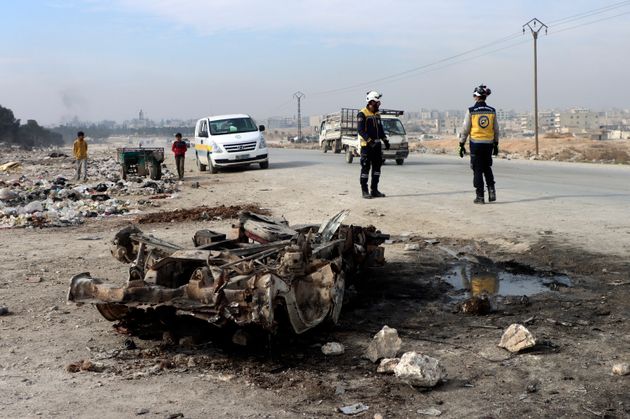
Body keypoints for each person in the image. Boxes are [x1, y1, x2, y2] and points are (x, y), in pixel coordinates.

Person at [459, 84, 500, 204]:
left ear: (476, 97)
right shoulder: (492, 111)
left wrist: (461, 144)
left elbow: (465, 129)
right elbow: (496, 129)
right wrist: (496, 144)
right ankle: (492, 191)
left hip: (476, 144)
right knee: (487, 167)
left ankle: (480, 196)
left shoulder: (471, 111)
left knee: (477, 169)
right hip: (488, 144)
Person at [358, 90, 390, 199]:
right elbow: (361, 130)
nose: (378, 105)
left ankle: (374, 190)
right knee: (366, 169)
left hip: (377, 147)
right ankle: (364, 191)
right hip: (367, 147)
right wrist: (369, 141)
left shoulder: (377, 114)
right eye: (377, 103)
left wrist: (385, 140)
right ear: (371, 102)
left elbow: (380, 129)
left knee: (377, 170)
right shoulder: (362, 114)